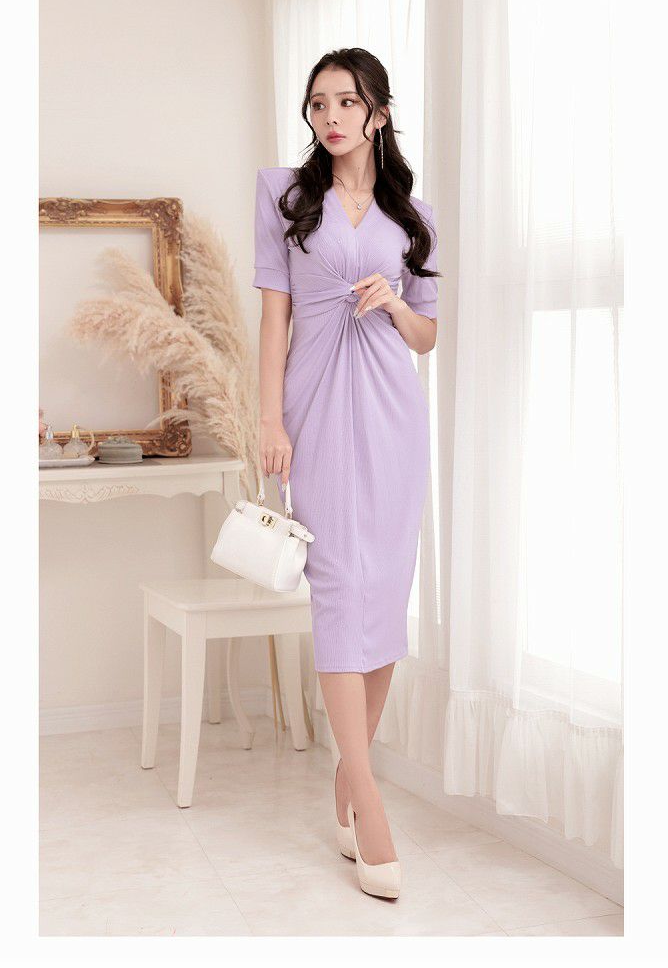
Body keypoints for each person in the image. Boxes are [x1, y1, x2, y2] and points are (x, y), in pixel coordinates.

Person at [254, 48, 440, 900]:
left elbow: (428, 335)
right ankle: (367, 796)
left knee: (385, 588)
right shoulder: (287, 200)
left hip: (394, 413)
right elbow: (274, 320)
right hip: (316, 409)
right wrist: (269, 419)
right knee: (335, 586)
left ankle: (346, 774)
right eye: (318, 103)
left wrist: (395, 301)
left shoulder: (413, 217)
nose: (329, 116)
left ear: (378, 114)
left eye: (346, 102)